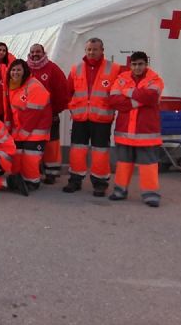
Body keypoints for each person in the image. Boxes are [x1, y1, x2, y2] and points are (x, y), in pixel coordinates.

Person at [63, 37, 121, 197]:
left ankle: (100, 183)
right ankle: (75, 180)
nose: (91, 52)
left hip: (102, 119)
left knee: (100, 152)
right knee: (77, 151)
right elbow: (68, 91)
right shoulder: (76, 69)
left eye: (95, 49)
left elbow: (119, 93)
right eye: (89, 49)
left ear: (102, 50)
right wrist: (72, 107)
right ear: (85, 50)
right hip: (80, 118)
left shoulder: (114, 69)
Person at [108, 52, 164, 207]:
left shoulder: (155, 79)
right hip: (125, 131)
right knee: (123, 164)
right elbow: (113, 100)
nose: (137, 67)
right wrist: (139, 101)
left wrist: (127, 92)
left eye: (140, 64)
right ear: (130, 65)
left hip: (146, 132)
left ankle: (151, 195)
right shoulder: (121, 78)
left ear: (146, 64)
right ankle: (120, 191)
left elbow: (151, 97)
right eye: (134, 64)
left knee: (149, 166)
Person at [5, 59, 52, 195]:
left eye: (19, 70)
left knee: (30, 157)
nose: (15, 72)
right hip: (20, 130)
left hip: (35, 131)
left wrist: (24, 132)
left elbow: (34, 113)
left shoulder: (34, 86)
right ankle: (18, 179)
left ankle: (32, 182)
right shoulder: (13, 86)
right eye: (13, 70)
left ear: (25, 71)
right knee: (17, 155)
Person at [27, 44, 69, 184]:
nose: (35, 54)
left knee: (51, 143)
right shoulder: (25, 69)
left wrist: (55, 110)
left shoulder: (52, 69)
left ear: (43, 52)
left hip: (50, 114)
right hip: (30, 116)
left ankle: (52, 172)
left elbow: (62, 91)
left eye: (38, 52)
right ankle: (34, 169)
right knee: (32, 143)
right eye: (32, 52)